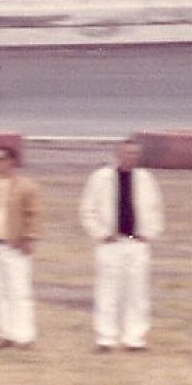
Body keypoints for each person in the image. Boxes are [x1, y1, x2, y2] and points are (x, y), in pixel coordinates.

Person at [79, 138, 164, 352]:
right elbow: (87, 210)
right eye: (127, 153)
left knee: (137, 293)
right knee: (107, 292)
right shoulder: (101, 178)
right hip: (111, 244)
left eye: (134, 154)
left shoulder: (146, 179)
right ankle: (106, 339)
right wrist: (101, 234)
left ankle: (134, 339)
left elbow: (156, 209)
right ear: (118, 154)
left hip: (137, 244)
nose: (131, 157)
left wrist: (149, 233)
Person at [0, 144, 39, 349]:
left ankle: (25, 337)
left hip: (15, 247)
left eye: (1, 159)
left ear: (12, 161)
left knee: (19, 292)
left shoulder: (26, 187)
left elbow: (33, 214)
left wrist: (29, 238)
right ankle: (5, 334)